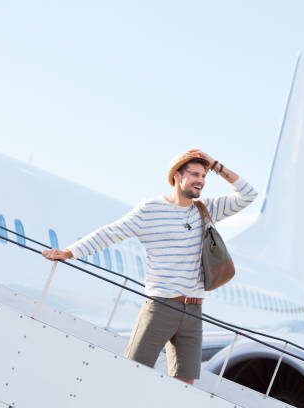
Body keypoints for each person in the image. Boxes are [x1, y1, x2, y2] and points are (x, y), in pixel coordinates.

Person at [42, 149, 257, 384]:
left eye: (204, 176)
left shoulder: (205, 209)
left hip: (194, 310)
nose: (201, 181)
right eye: (195, 174)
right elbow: (111, 233)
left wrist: (215, 165)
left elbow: (248, 194)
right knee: (132, 374)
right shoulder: (151, 209)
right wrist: (70, 252)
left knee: (185, 385)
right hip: (161, 306)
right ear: (177, 175)